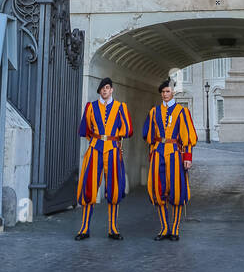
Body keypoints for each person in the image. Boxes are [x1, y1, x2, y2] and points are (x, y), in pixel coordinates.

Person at [75, 78, 133, 240]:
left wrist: (114, 139)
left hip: (113, 150)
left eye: (107, 88)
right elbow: (85, 129)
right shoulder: (91, 107)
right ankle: (84, 228)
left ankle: (113, 228)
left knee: (114, 188)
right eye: (102, 89)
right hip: (95, 149)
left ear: (112, 90)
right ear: (99, 91)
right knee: (89, 187)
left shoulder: (121, 107)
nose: (105, 91)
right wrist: (96, 140)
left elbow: (127, 129)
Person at [142, 79, 198, 241]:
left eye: (167, 91)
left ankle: (175, 229)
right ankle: (164, 228)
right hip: (158, 154)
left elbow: (188, 137)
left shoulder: (182, 112)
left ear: (173, 92)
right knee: (158, 191)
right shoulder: (154, 112)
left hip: (175, 154)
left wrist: (187, 157)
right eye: (163, 92)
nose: (165, 94)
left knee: (177, 191)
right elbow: (148, 134)